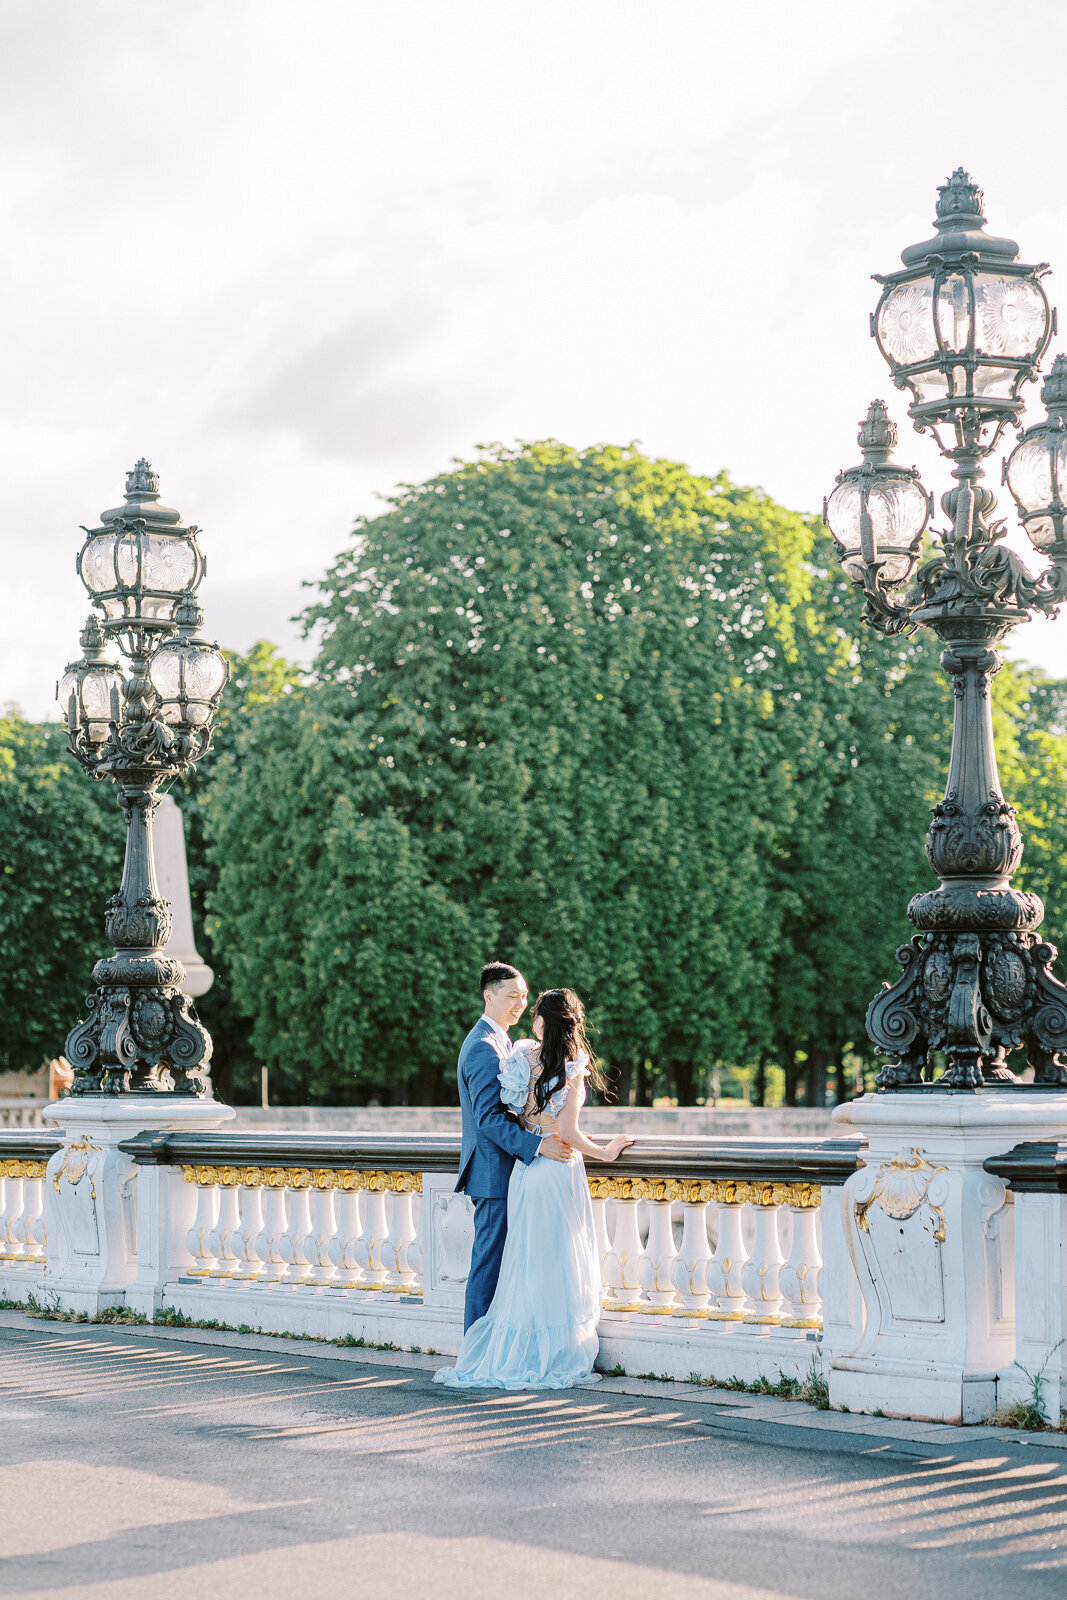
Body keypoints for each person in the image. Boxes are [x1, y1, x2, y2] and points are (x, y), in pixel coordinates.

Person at [436, 986, 633, 1390]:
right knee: (557, 1261)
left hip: (525, 1173)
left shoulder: (520, 1058)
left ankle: (509, 1349)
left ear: (541, 1022)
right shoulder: (573, 1065)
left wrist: (540, 1132)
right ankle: (553, 1351)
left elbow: (519, 1115)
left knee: (525, 1263)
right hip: (556, 1170)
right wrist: (606, 1152)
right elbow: (567, 1131)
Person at [453, 962, 573, 1332]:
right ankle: (475, 1348)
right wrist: (538, 1146)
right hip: (493, 1174)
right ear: (488, 996)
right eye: (511, 996)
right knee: (489, 1264)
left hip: (510, 1172)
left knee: (509, 1265)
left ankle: (494, 1344)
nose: (520, 1004)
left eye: (523, 997)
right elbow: (488, 1117)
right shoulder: (482, 1047)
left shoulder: (504, 1042)